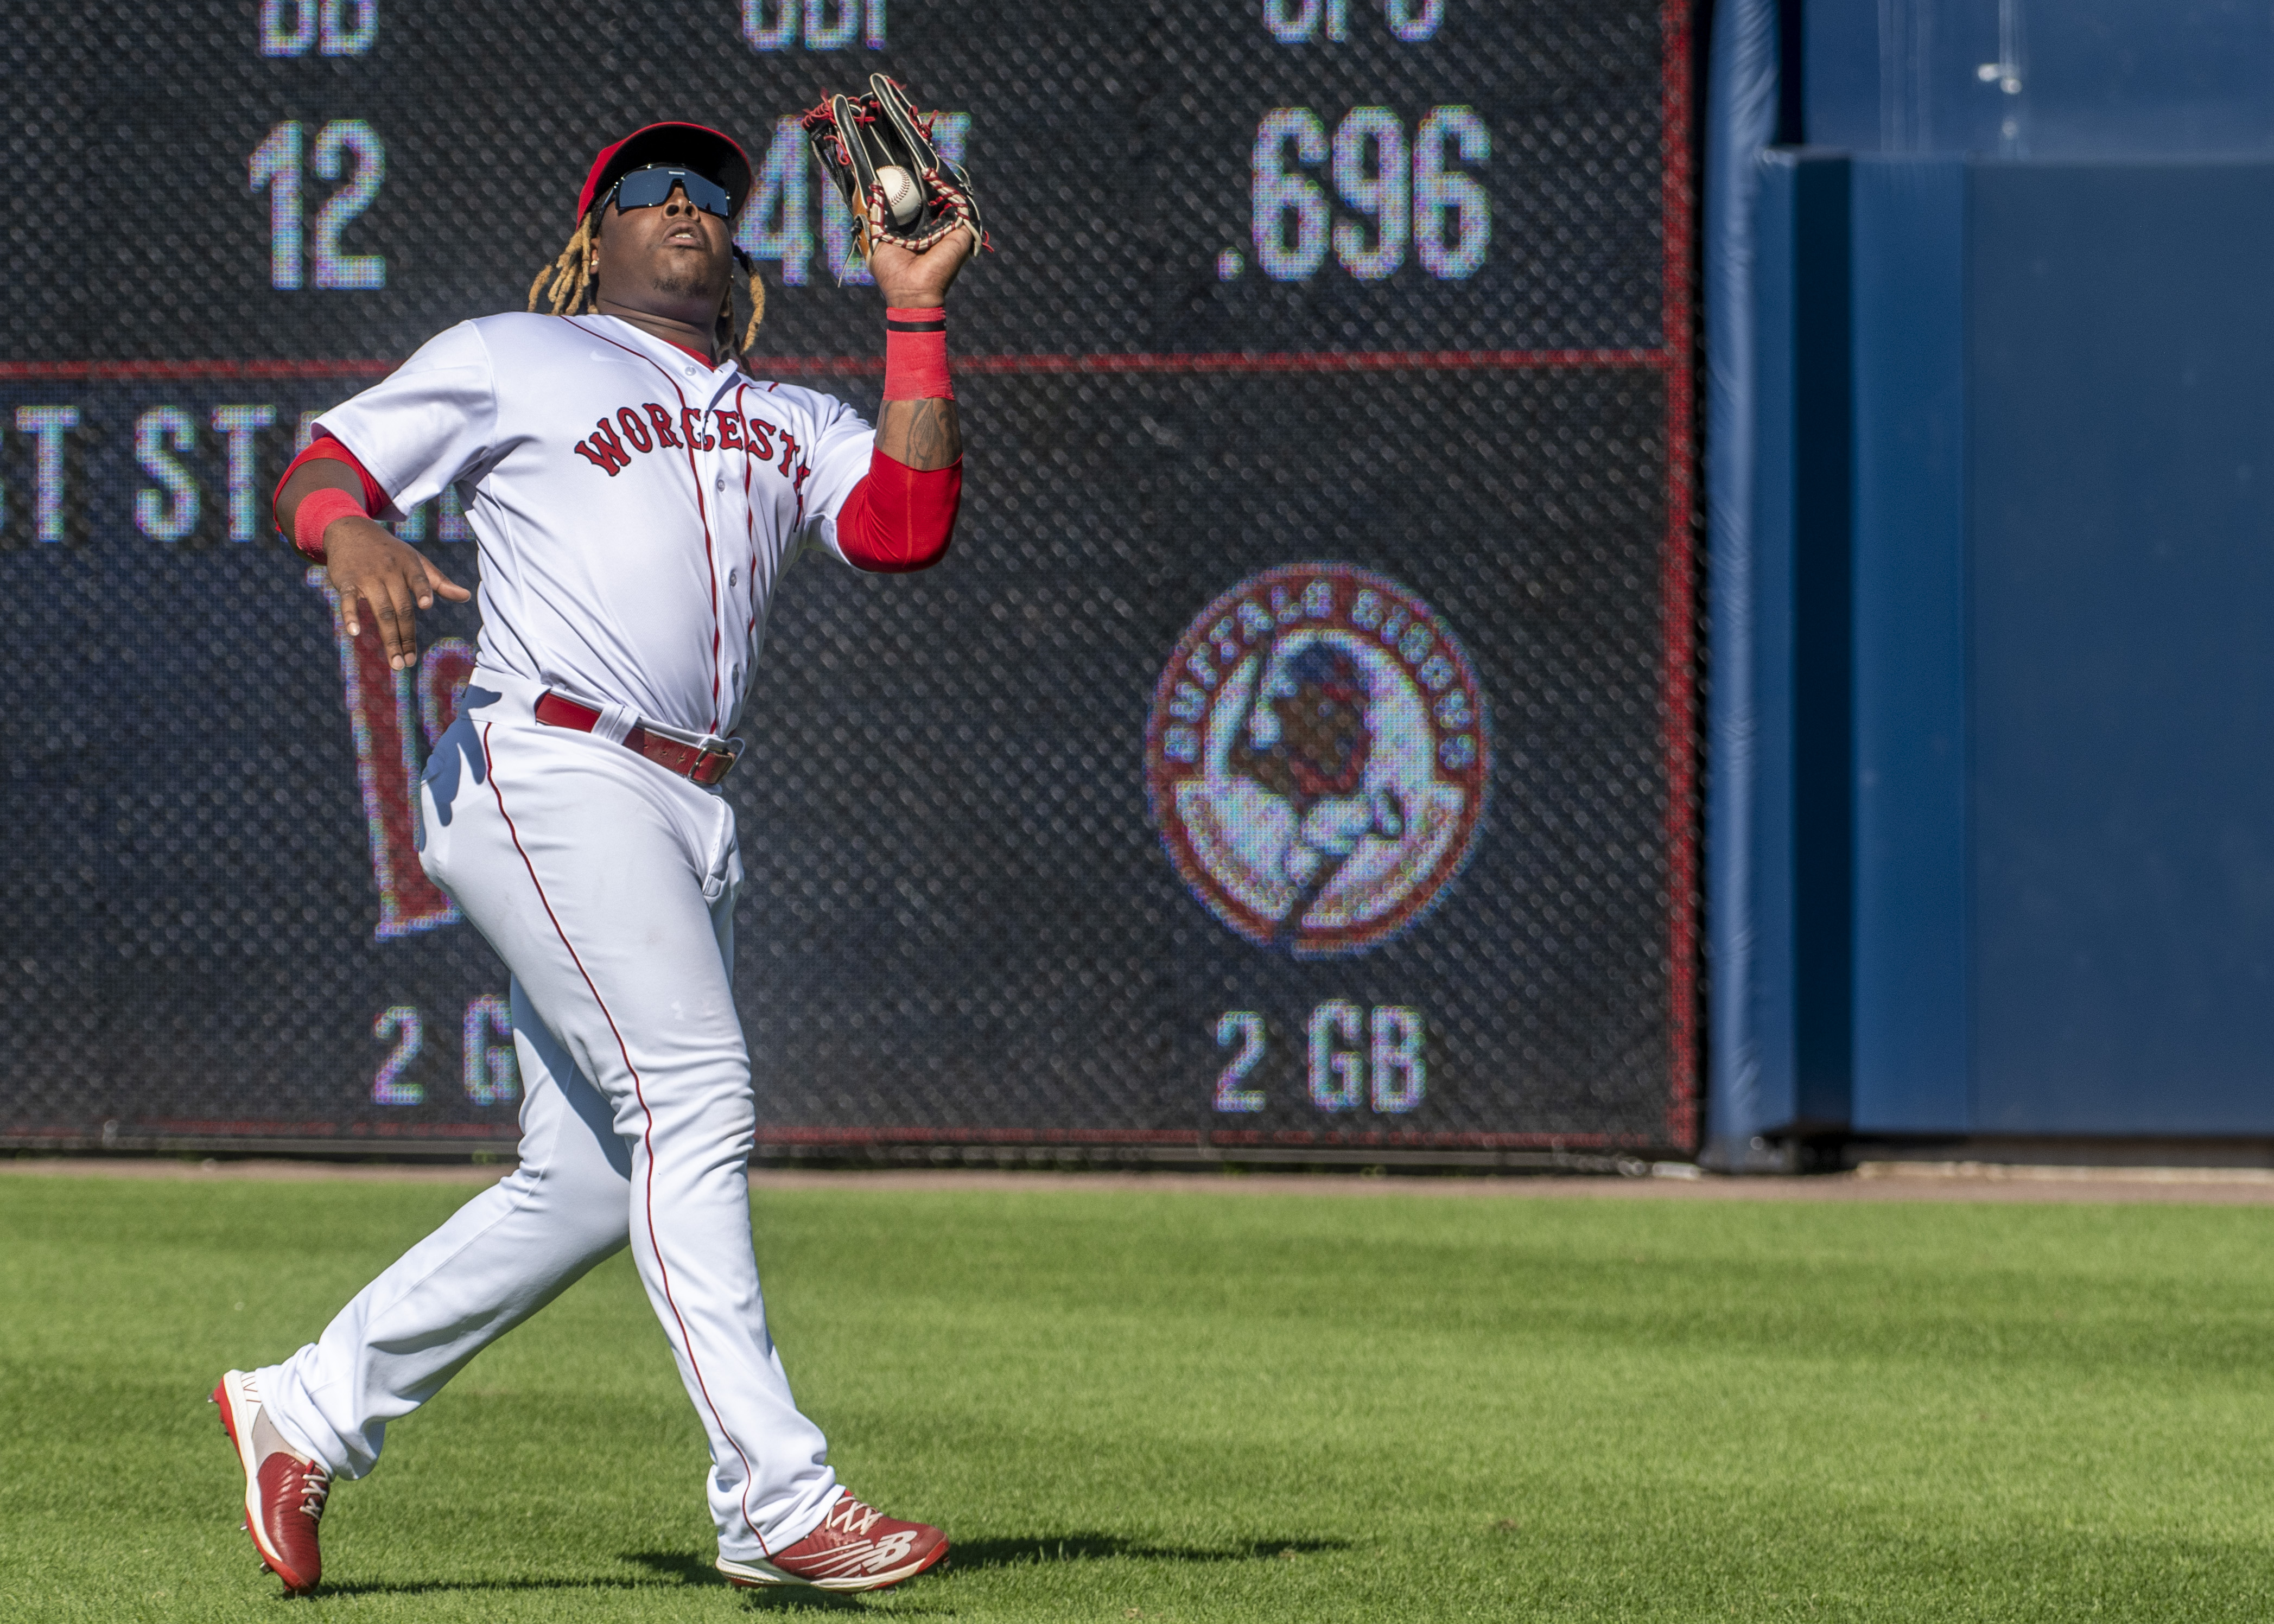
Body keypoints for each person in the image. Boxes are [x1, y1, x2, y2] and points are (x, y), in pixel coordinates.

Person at [212, 120, 970, 1596]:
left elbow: (903, 526)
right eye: (648, 190)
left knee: (577, 1184)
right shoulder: (518, 352)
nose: (682, 205)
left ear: (739, 243)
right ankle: (773, 1495)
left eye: (709, 192)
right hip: (546, 761)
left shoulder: (791, 412)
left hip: (687, 802)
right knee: (699, 1093)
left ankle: (304, 1406)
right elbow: (324, 463)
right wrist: (345, 532)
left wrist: (917, 307)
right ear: (595, 235)